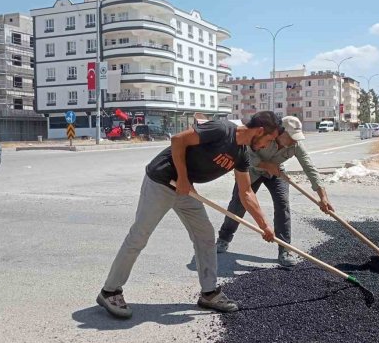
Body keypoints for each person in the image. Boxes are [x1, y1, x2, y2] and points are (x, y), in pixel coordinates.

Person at [96, 111, 281, 319]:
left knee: (205, 236)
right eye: (269, 139)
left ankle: (209, 293)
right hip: (162, 181)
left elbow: (246, 192)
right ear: (260, 131)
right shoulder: (221, 129)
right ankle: (110, 291)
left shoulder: (241, 154)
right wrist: (183, 178)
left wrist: (265, 226)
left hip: (186, 190)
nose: (267, 146)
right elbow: (178, 140)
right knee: (139, 236)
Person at [215, 116, 334, 266]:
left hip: (276, 173)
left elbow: (309, 167)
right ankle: (224, 238)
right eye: (291, 137)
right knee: (238, 204)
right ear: (280, 132)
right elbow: (245, 155)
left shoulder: (295, 145)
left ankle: (285, 249)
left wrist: (322, 196)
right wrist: (264, 164)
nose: (294, 141)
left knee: (282, 204)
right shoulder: (264, 136)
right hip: (251, 172)